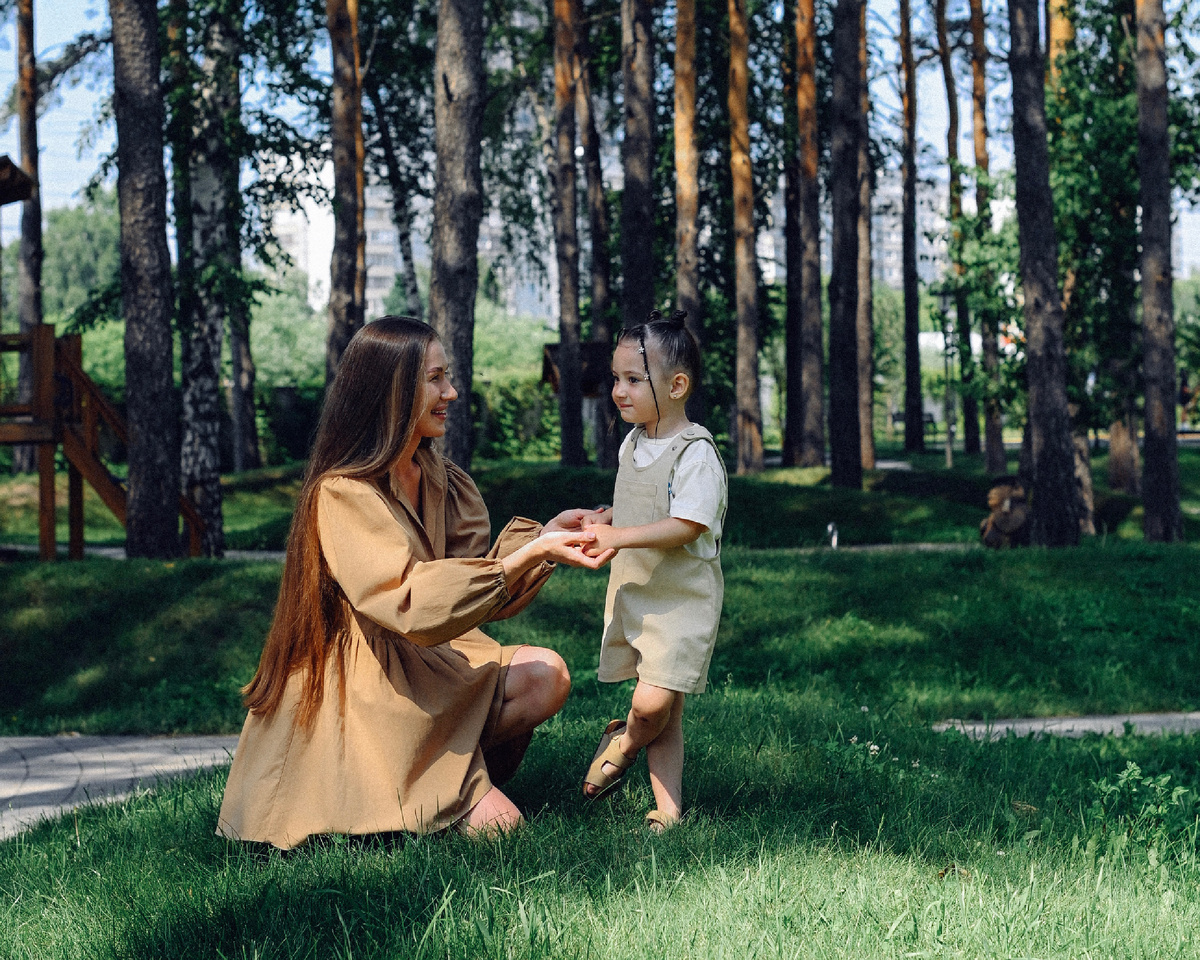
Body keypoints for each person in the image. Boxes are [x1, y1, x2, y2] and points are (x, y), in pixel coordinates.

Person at [217, 316, 612, 848]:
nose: (451, 391)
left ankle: (441, 787)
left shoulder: (441, 480)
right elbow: (410, 602)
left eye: (447, 377)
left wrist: (545, 539)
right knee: (505, 834)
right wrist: (528, 554)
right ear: (392, 391)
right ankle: (397, 804)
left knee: (548, 675)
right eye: (435, 379)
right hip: (366, 696)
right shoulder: (342, 493)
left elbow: (467, 593)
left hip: (426, 668)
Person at [580, 310, 728, 832]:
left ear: (678, 385)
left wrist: (618, 537)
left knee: (651, 701)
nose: (619, 390)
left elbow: (687, 523)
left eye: (633, 379)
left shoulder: (696, 452)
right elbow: (642, 506)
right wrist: (610, 518)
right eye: (616, 378)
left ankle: (621, 744)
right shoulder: (635, 442)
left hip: (680, 600)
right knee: (666, 713)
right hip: (638, 592)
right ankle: (668, 808)